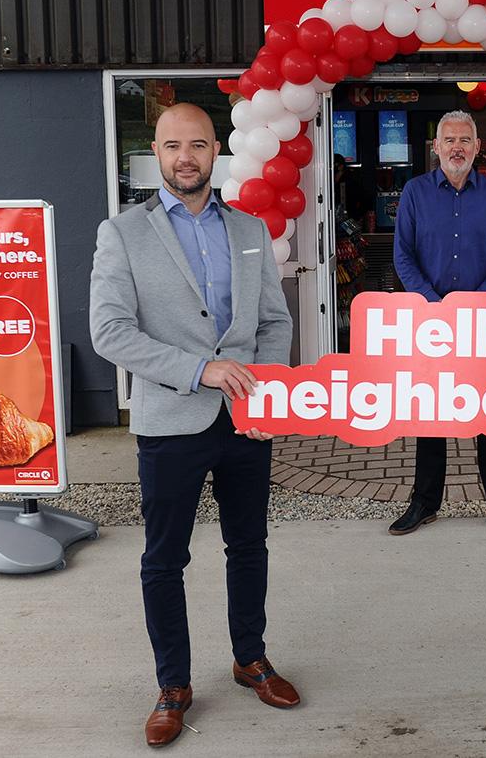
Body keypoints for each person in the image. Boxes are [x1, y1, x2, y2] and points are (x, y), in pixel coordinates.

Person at [90, 103, 300, 748]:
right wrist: (199, 370)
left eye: (199, 144)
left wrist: (260, 399)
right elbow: (109, 331)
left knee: (250, 547)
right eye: (173, 145)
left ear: (217, 153)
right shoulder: (122, 233)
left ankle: (250, 658)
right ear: (155, 152)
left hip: (244, 423)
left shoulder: (249, 228)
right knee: (163, 559)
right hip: (171, 420)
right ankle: (173, 686)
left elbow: (273, 322)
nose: (186, 156)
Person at [390, 110, 486, 535]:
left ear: (477, 147)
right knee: (430, 414)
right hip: (429, 322)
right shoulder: (414, 193)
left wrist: (472, 305)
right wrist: (437, 305)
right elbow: (403, 258)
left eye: (464, 140)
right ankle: (425, 502)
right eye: (448, 140)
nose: (457, 148)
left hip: (482, 323)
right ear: (435, 148)